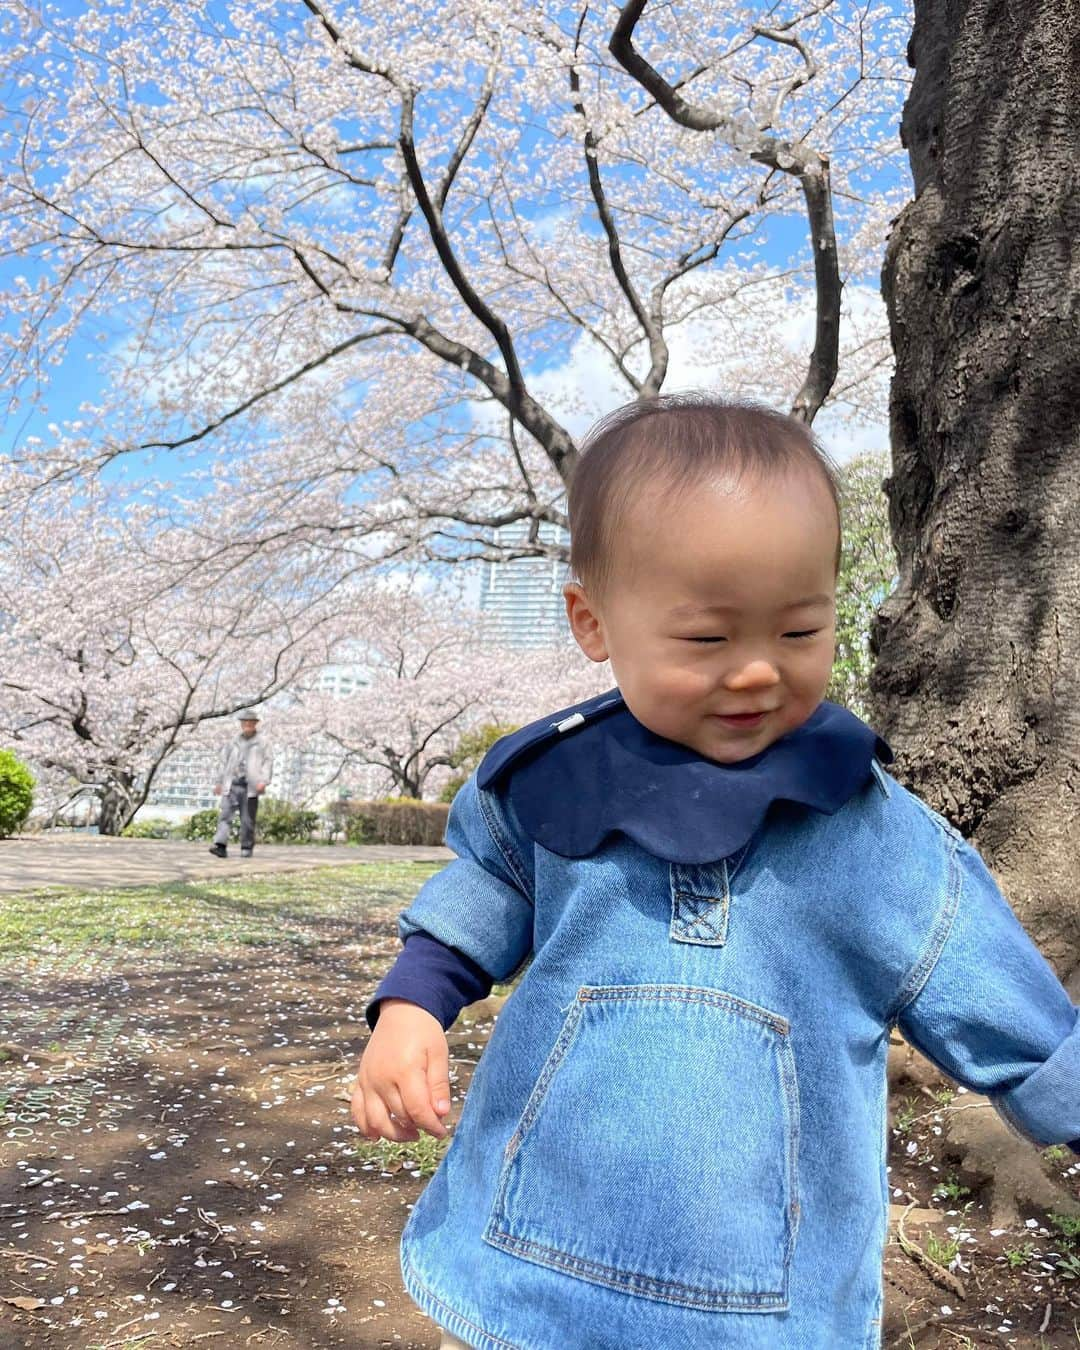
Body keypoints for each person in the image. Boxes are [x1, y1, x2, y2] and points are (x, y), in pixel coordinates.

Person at [351, 395, 1080, 1350]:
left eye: (798, 633)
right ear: (592, 621)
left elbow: (992, 990)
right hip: (531, 1251)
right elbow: (482, 895)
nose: (755, 673)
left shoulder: (871, 829)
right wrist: (411, 1008)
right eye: (707, 638)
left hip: (770, 1291)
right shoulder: (553, 784)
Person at [209, 709, 272, 859]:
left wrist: (264, 781)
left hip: (250, 785)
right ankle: (220, 845)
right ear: (241, 724)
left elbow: (268, 762)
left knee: (247, 819)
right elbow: (223, 762)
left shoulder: (263, 742)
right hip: (232, 783)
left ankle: (246, 847)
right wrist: (219, 782)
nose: (247, 725)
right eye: (244, 722)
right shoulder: (233, 741)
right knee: (225, 814)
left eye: (250, 722)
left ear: (255, 724)